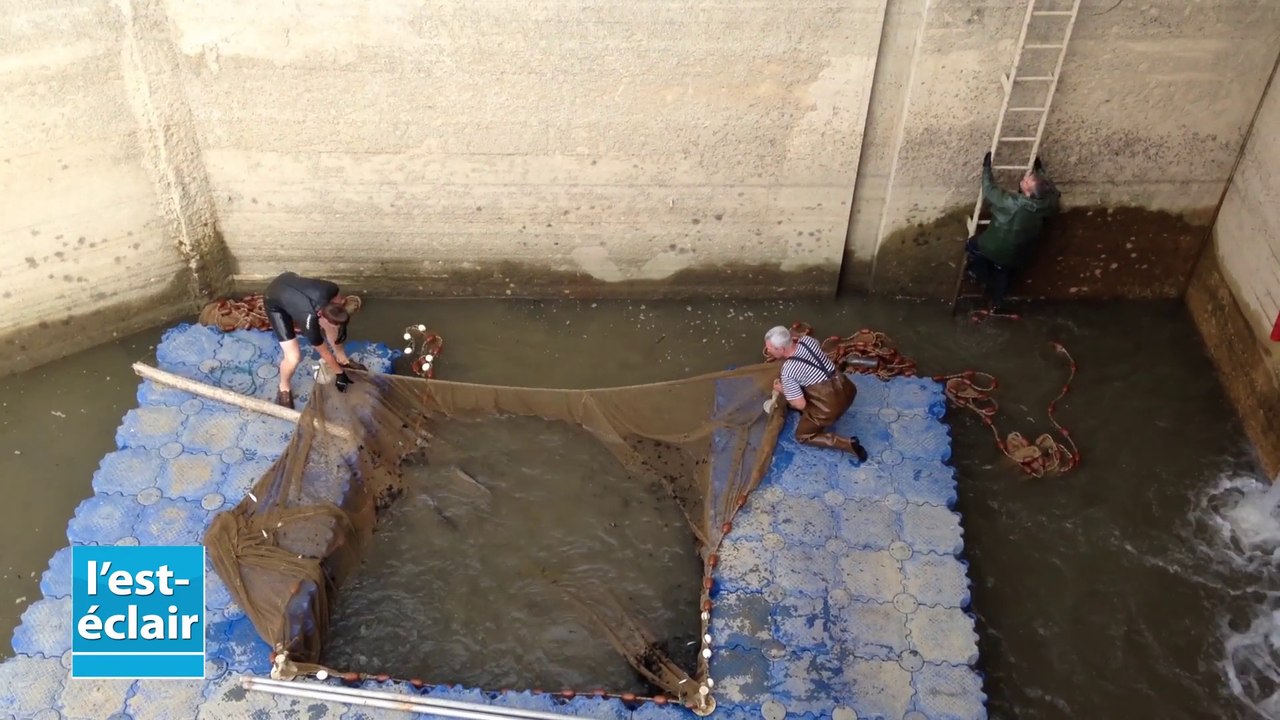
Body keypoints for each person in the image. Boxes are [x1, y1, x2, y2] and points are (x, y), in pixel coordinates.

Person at [965, 152, 1061, 310]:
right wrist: (1040, 170)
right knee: (1003, 270)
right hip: (1018, 253)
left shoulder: (1011, 203)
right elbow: (1051, 190)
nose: (1023, 179)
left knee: (971, 246)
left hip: (993, 247)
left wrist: (986, 168)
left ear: (1028, 193)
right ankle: (997, 302)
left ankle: (978, 274)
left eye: (1026, 182)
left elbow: (989, 190)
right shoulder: (1048, 204)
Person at [763, 326, 869, 462]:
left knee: (803, 436)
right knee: (802, 387)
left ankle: (848, 444)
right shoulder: (808, 341)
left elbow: (800, 404)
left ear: (781, 349)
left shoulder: (788, 371)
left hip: (830, 407)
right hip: (847, 389)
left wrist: (784, 389)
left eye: (770, 348)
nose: (768, 351)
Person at [263, 271, 366, 409]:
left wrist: (342, 327)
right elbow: (324, 353)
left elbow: (340, 303)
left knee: (333, 329)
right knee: (293, 357)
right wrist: (339, 374)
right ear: (320, 316)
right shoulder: (309, 322)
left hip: (290, 279)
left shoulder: (331, 289)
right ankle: (284, 387)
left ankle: (342, 359)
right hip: (274, 300)